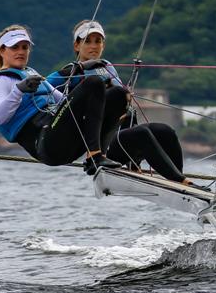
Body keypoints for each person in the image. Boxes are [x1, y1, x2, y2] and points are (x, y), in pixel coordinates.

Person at [47, 19, 193, 184]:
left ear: (104, 45)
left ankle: (178, 182)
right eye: (87, 41)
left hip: (121, 134)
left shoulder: (107, 66)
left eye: (98, 41)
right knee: (141, 134)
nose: (93, 46)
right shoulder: (72, 70)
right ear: (76, 46)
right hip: (103, 144)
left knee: (166, 131)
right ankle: (180, 180)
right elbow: (46, 83)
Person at [0, 24, 122, 173]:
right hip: (46, 144)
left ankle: (100, 157)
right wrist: (18, 91)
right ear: (2, 50)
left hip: (64, 136)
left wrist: (92, 86)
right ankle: (94, 157)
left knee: (118, 94)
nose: (21, 52)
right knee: (93, 82)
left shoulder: (31, 73)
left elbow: (64, 100)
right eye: (15, 48)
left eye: (25, 47)